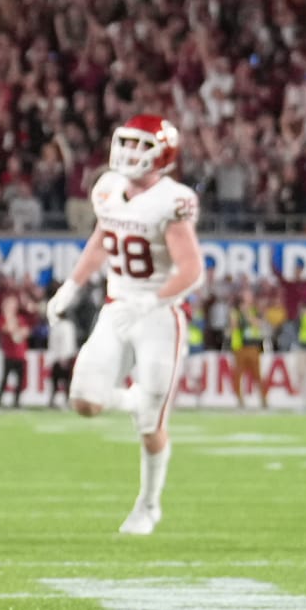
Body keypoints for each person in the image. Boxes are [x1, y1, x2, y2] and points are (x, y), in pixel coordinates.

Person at [48, 115, 205, 535]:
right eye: (127, 143)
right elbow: (103, 238)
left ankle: (148, 505)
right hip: (117, 308)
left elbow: (192, 270)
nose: (130, 154)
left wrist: (152, 300)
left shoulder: (172, 200)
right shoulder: (106, 189)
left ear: (162, 154)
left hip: (158, 315)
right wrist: (73, 285)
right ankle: (134, 400)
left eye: (140, 146)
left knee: (152, 425)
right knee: (83, 399)